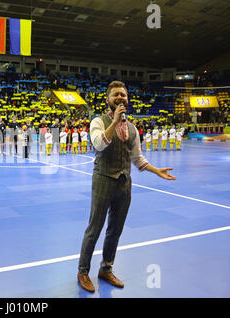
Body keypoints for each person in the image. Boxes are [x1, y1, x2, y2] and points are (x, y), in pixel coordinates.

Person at [77, 81, 176, 293]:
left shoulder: (131, 128)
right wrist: (113, 121)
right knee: (94, 228)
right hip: (103, 179)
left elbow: (137, 158)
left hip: (124, 183)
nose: (120, 98)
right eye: (116, 95)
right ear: (108, 100)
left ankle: (106, 268)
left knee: (115, 230)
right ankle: (83, 272)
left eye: (123, 95)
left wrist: (156, 170)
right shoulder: (98, 121)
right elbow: (99, 144)